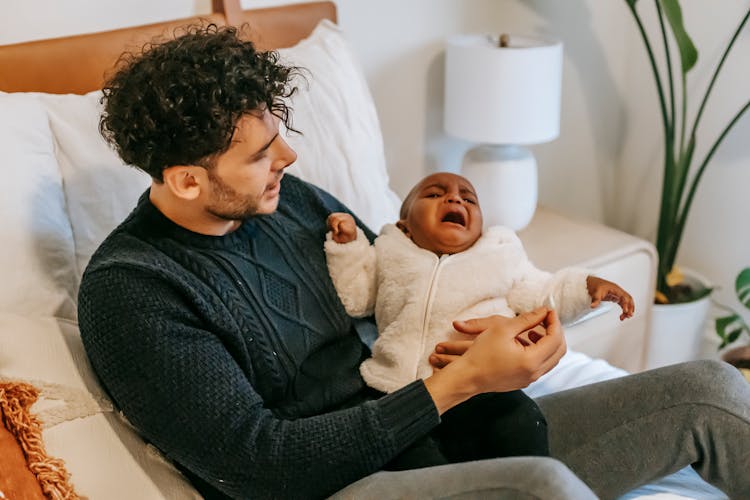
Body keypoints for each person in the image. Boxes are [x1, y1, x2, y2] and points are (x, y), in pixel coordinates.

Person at [77, 24, 750, 500]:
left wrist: (489, 333)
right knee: (539, 488)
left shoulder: (291, 201)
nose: (289, 160)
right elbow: (262, 469)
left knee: (707, 392)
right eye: (260, 155)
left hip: (417, 426)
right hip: (329, 483)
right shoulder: (135, 293)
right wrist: (458, 386)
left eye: (278, 139)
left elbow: (398, 281)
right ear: (187, 180)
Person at [324, 172, 633, 468]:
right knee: (411, 459)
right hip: (399, 390)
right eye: (434, 194)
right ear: (404, 225)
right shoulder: (389, 252)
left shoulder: (499, 256)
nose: (455, 200)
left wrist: (587, 286)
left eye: (469, 200)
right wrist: (348, 246)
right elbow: (357, 297)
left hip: (484, 390)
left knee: (523, 422)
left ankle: (532, 483)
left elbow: (543, 291)